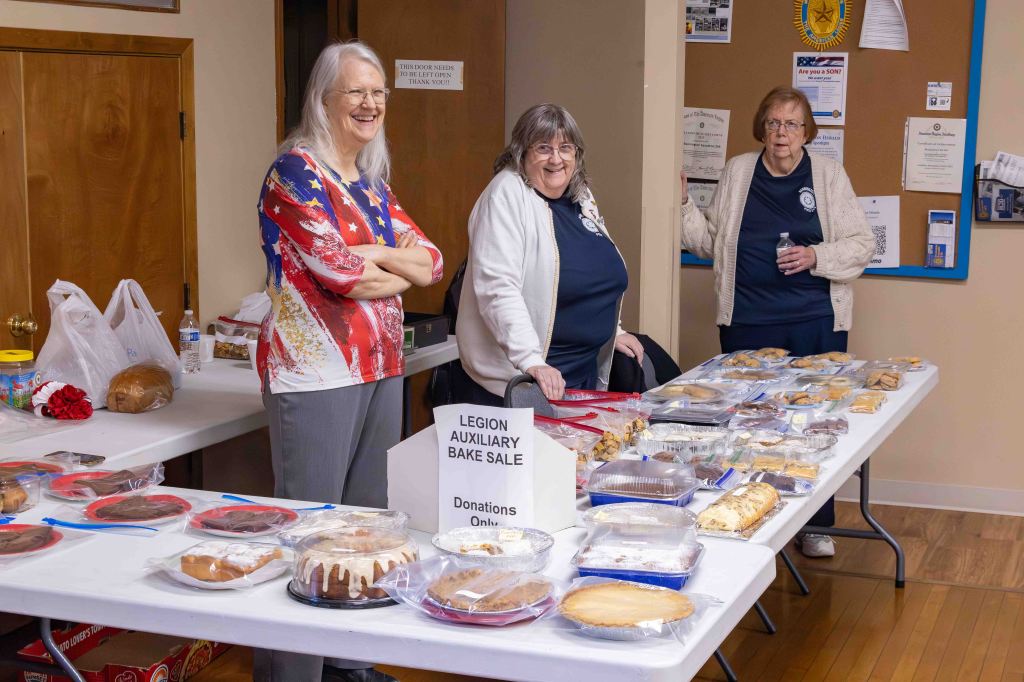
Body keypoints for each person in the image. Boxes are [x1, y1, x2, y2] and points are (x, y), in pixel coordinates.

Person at [255, 40, 443, 682]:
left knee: (364, 532)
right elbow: (341, 274)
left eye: (378, 92)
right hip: (316, 374)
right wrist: (385, 264)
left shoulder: (369, 183)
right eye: (357, 91)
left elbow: (432, 262)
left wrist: (375, 254)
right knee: (309, 534)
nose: (370, 103)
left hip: (380, 364)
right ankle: (294, 674)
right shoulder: (294, 173)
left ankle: (348, 666)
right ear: (324, 99)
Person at [679, 86, 873, 558]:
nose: (781, 132)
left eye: (791, 124)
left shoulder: (827, 174)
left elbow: (861, 244)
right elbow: (709, 242)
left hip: (814, 320)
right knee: (746, 425)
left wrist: (815, 256)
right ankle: (743, 516)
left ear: (806, 132)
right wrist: (682, 204)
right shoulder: (738, 171)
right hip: (746, 319)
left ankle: (814, 526)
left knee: (813, 424)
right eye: (773, 123)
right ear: (761, 128)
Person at [455, 103, 643, 404]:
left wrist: (613, 332)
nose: (556, 159)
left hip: (580, 375)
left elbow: (596, 270)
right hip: (525, 384)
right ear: (521, 153)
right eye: (543, 148)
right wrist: (530, 360)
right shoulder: (505, 194)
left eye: (565, 148)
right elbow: (498, 288)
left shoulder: (579, 196)